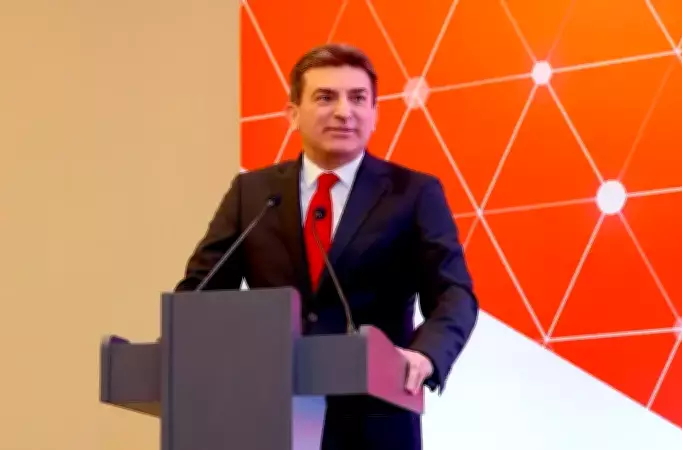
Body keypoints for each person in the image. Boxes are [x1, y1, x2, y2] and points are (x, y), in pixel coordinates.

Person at [174, 43, 478, 450]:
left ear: (375, 113)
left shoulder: (414, 193)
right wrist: (182, 344)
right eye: (325, 97)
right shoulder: (253, 193)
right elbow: (201, 291)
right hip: (270, 416)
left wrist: (425, 355)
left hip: (376, 422)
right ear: (292, 113)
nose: (343, 112)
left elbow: (454, 294)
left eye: (358, 98)